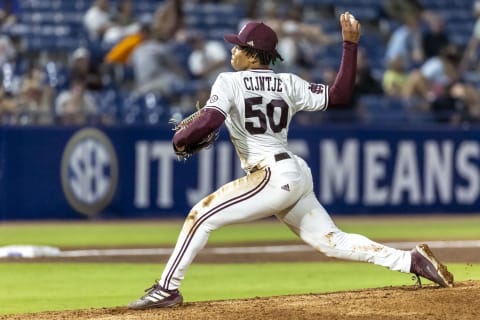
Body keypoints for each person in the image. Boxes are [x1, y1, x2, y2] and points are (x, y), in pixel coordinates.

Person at [128, 14, 454, 310]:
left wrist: (179, 139)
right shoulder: (290, 83)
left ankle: (167, 289)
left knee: (200, 216)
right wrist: (349, 45)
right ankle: (410, 261)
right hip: (295, 172)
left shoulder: (228, 81)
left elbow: (211, 120)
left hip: (270, 175)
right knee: (333, 241)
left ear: (253, 53)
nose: (233, 52)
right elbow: (340, 95)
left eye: (239, 46)